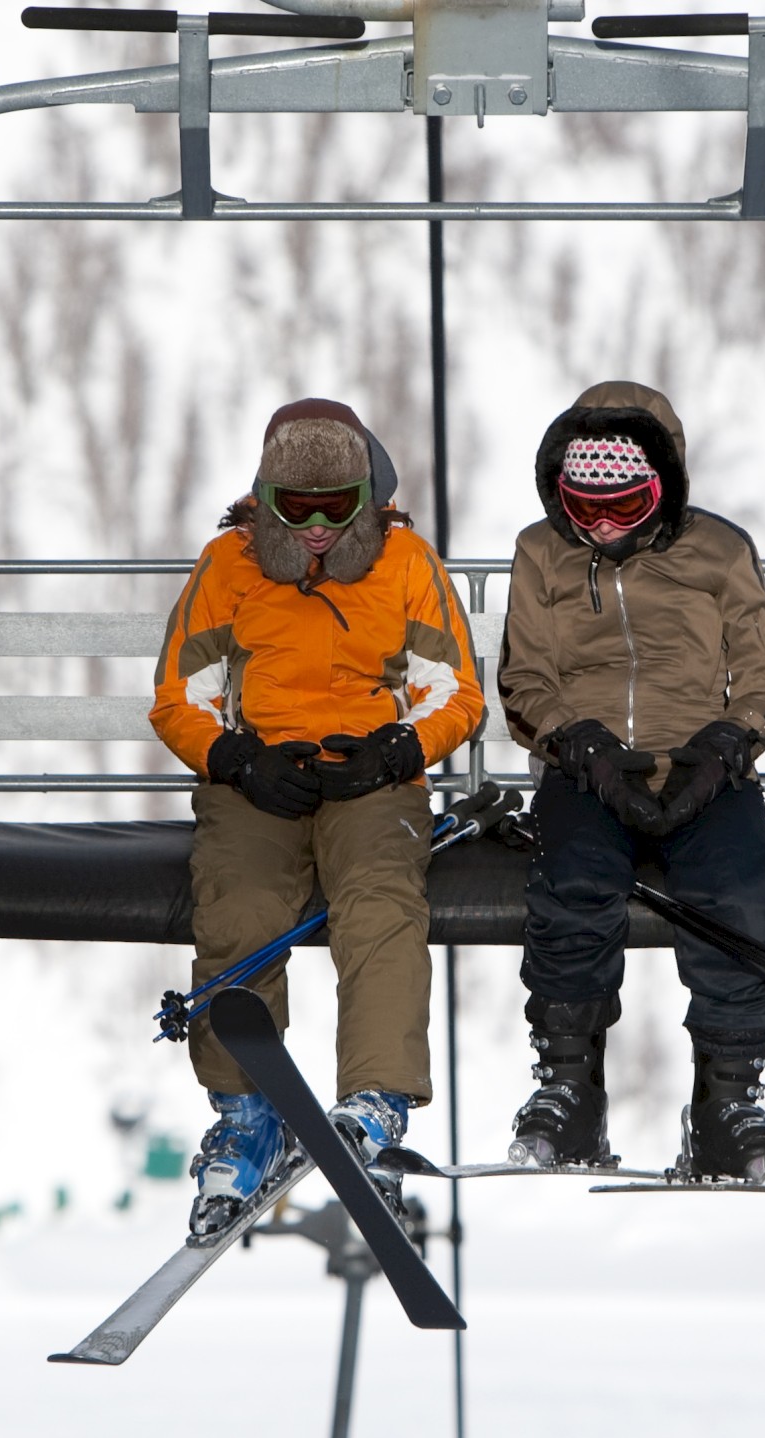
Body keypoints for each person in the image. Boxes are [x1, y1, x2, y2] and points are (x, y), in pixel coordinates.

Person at [151, 399, 485, 1231]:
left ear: (365, 496)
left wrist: (399, 751)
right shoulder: (228, 566)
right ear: (266, 501)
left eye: (338, 505)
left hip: (371, 776)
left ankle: (374, 1100)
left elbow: (456, 693)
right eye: (295, 509)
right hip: (261, 776)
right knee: (239, 902)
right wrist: (236, 760)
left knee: (379, 903)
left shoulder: (406, 562)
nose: (318, 529)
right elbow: (177, 698)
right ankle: (245, 1111)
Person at [497, 380, 765, 1181]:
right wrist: (579, 744)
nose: (600, 528)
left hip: (702, 767)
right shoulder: (540, 552)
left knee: (734, 893)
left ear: (662, 487)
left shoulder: (720, 551)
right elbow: (524, 677)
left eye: (624, 508)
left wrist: (727, 745)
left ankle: (726, 1101)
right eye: (582, 508)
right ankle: (570, 1088)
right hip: (590, 770)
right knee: (572, 881)